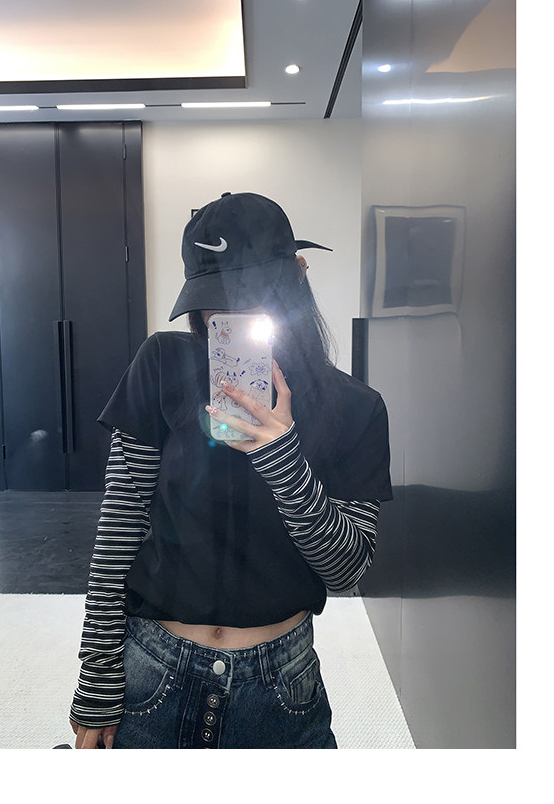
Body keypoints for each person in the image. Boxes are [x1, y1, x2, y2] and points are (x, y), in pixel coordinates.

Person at [68, 191, 392, 749]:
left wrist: (281, 457)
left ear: (299, 275)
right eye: (214, 304)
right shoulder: (161, 364)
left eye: (253, 298)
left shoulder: (356, 408)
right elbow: (120, 529)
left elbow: (347, 571)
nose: (231, 318)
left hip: (280, 687)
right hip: (154, 671)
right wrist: (97, 674)